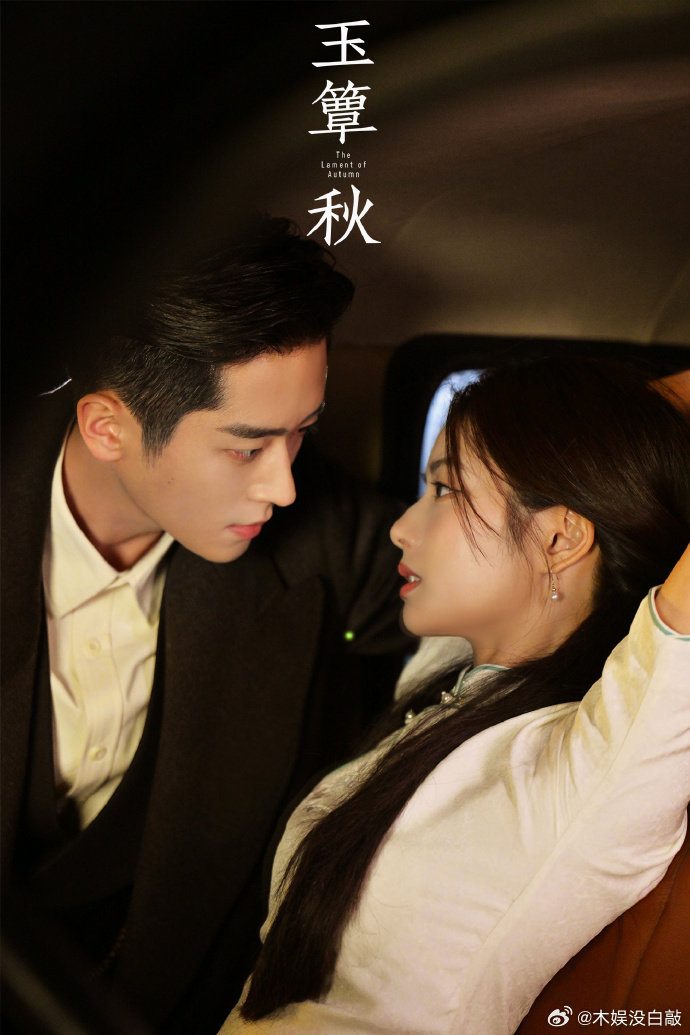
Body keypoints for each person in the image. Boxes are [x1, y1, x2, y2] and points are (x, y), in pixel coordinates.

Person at [0, 217, 409, 1034]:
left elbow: (494, 594)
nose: (285, 487)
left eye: (303, 432)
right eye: (247, 447)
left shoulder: (328, 538)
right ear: (106, 427)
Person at [221, 357, 690, 1034]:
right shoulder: (456, 684)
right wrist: (600, 430)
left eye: (444, 489)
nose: (401, 527)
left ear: (560, 537)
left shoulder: (589, 769)